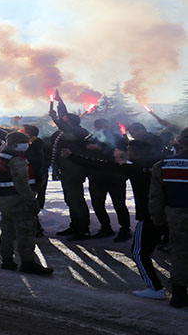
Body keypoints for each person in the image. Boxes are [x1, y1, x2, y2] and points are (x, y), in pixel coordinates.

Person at [63, 140, 165, 299]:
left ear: (134, 152)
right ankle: (179, 289)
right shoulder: (162, 163)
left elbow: (101, 165)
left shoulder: (134, 168)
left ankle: (155, 288)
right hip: (172, 212)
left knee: (139, 252)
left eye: (129, 149)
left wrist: (71, 156)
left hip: (149, 214)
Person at [0, 132, 53, 275]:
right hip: (19, 200)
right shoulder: (16, 159)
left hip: (4, 199)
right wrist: (32, 202)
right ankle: (28, 263)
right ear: (15, 143)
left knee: (7, 230)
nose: (26, 145)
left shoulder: (1, 156)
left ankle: (7, 260)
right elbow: (22, 183)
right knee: (25, 231)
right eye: (23, 142)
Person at [149, 127, 188, 308]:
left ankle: (179, 294)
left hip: (177, 215)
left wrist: (157, 217)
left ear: (180, 142)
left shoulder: (163, 164)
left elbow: (156, 195)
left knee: (179, 253)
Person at [49, 90, 92, 241]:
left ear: (71, 123)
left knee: (76, 200)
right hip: (66, 171)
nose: (62, 121)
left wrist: (55, 119)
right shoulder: (68, 130)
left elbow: (65, 125)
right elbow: (64, 119)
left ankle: (83, 229)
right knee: (70, 200)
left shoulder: (79, 132)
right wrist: (60, 102)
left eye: (65, 120)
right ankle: (75, 225)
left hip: (75, 171)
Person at [85, 118, 131, 241]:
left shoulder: (118, 138)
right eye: (98, 126)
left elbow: (122, 154)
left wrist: (102, 148)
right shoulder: (92, 138)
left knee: (119, 204)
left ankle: (125, 229)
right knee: (97, 204)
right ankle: (105, 227)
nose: (102, 129)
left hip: (115, 176)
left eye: (104, 126)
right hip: (97, 176)